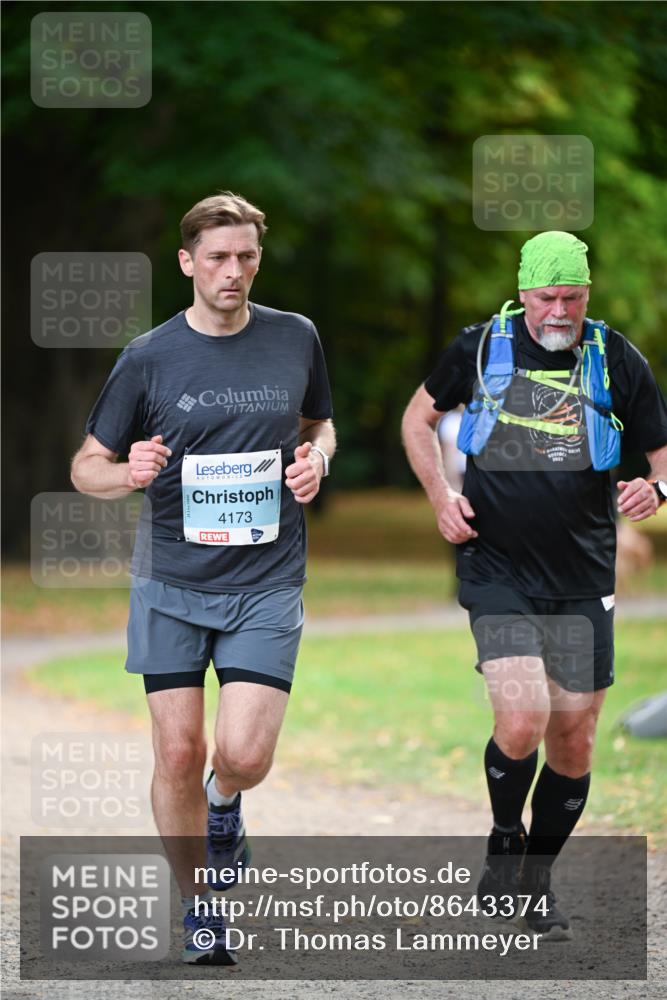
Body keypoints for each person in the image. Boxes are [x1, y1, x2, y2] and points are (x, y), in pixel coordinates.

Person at [71, 191, 335, 964]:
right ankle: (198, 909)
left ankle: (227, 804)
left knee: (243, 756)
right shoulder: (148, 356)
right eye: (217, 257)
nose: (234, 271)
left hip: (266, 578)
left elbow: (319, 424)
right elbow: (85, 467)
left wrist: (317, 457)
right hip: (171, 581)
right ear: (186, 262)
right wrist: (127, 472)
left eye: (246, 256)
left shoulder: (296, 338)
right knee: (178, 753)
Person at [401, 231, 667, 941]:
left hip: (583, 575)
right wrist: (438, 498)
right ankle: (500, 841)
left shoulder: (614, 358)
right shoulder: (479, 347)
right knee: (522, 719)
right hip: (497, 568)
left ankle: (535, 876)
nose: (558, 311)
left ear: (586, 294)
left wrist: (656, 486)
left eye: (571, 297)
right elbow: (416, 419)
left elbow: (660, 449)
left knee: (573, 737)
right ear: (522, 294)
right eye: (546, 297)